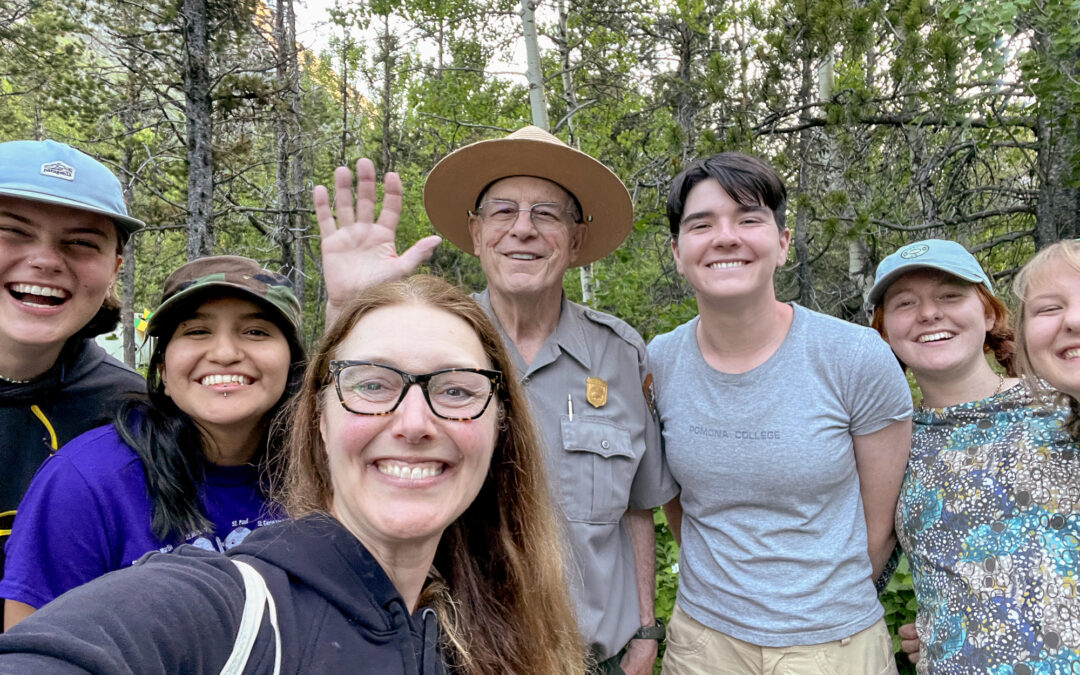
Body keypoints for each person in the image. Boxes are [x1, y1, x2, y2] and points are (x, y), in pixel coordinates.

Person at [0, 275, 585, 674]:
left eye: (456, 390)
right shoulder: (96, 483)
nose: (413, 422)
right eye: (373, 386)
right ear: (321, 417)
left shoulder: (483, 608)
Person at [315, 127, 676, 674]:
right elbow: (342, 436)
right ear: (476, 232)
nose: (523, 230)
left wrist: (647, 630)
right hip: (458, 659)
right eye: (503, 211)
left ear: (576, 240)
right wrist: (346, 311)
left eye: (547, 214)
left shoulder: (621, 354)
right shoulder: (429, 341)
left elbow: (636, 508)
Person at [650, 152, 912, 674]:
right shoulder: (658, 361)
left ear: (783, 243)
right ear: (678, 253)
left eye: (749, 219)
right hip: (704, 644)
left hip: (833, 646)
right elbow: (677, 503)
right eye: (702, 224)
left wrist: (811, 611)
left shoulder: (855, 356)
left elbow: (880, 524)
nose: (726, 237)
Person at [0, 255, 305, 629]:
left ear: (293, 362)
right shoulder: (86, 482)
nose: (225, 354)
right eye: (196, 332)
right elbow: (32, 653)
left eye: (256, 332)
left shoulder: (324, 473)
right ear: (162, 365)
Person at [868, 238, 1080, 672]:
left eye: (950, 295)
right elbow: (858, 570)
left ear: (988, 313)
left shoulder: (1065, 406)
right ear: (884, 330)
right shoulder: (887, 446)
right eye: (905, 303)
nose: (930, 313)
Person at [0, 140, 145, 620]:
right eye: (12, 232)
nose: (45, 260)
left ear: (114, 269)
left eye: (81, 242)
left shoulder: (134, 413)